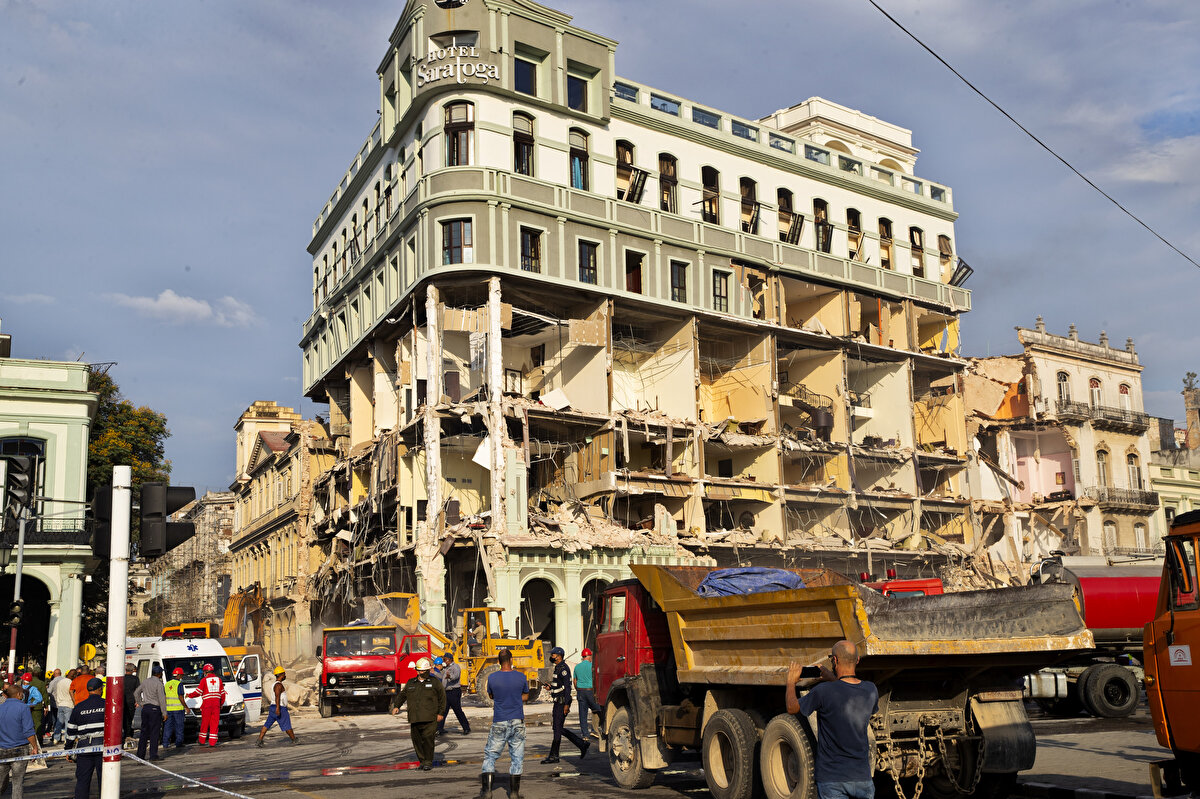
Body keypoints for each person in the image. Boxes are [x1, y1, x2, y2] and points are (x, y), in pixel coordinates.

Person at [785, 640, 879, 799]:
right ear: (857, 660)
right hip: (862, 778)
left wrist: (790, 682)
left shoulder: (823, 691)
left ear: (834, 660)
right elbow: (847, 692)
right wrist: (832, 679)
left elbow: (791, 708)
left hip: (832, 778)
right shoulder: (870, 690)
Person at [479, 648, 527, 799]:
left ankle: (487, 792)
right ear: (511, 660)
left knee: (490, 756)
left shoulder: (492, 677)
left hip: (499, 720)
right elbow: (525, 696)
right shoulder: (521, 676)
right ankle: (514, 793)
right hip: (517, 720)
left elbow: (491, 695)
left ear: (498, 662)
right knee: (517, 757)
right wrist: (515, 697)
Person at [391, 657, 445, 771]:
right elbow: (402, 695)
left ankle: (428, 762)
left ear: (427, 670)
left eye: (423, 671)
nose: (420, 672)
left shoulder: (434, 682)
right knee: (417, 741)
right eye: (419, 670)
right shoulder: (411, 683)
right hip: (415, 717)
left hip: (430, 717)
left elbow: (442, 698)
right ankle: (422, 761)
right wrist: (396, 706)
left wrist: (440, 713)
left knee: (428, 739)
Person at [543, 647, 588, 764]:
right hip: (557, 702)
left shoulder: (563, 669)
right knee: (557, 728)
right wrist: (550, 687)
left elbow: (567, 688)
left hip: (562, 703)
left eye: (553, 655)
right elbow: (559, 686)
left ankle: (554, 756)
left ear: (559, 656)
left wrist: (567, 705)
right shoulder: (558, 668)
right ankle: (580, 744)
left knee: (557, 729)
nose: (551, 657)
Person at [67, 678, 106, 799]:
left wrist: (68, 749)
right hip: (103, 746)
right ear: (100, 689)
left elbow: (71, 730)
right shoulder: (107, 704)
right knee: (105, 780)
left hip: (84, 747)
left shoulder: (79, 707)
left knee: (82, 780)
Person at [0, 683, 39, 799]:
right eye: (22, 693)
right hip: (20, 748)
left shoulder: (1, 708)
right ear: (18, 694)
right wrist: (34, 747)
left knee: (1, 781)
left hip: (2, 748)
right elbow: (28, 731)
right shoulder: (23, 708)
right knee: (17, 782)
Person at [255, 667, 298, 747]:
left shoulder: (275, 684)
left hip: (273, 707)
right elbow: (277, 697)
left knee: (267, 725)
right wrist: (278, 708)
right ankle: (294, 740)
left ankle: (259, 740)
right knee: (287, 725)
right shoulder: (278, 685)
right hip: (280, 708)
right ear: (281, 675)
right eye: (284, 674)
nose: (285, 675)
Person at [134, 664, 168, 761]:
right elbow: (162, 699)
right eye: (161, 673)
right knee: (154, 733)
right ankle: (153, 755)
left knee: (144, 732)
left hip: (146, 708)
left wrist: (141, 703)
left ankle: (140, 755)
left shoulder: (145, 681)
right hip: (155, 709)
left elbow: (136, 693)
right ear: (159, 674)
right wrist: (164, 712)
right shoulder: (159, 684)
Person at [187, 663, 224, 747]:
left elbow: (198, 692)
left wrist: (189, 695)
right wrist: (221, 703)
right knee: (214, 723)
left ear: (205, 672)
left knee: (205, 723)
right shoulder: (219, 680)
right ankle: (212, 742)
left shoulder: (204, 680)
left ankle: (202, 740)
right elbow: (222, 694)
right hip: (216, 705)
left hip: (207, 705)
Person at [437, 651, 470, 736]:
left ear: (450, 659)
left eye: (445, 660)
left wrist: (450, 677)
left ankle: (466, 728)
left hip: (454, 692)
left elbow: (456, 676)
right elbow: (443, 677)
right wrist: (435, 673)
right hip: (447, 692)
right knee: (443, 711)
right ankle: (439, 729)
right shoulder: (446, 668)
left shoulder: (455, 667)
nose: (444, 661)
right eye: (444, 660)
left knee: (458, 711)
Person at [573, 647, 602, 739]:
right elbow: (597, 679)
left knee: (583, 714)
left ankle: (585, 735)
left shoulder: (577, 667)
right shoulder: (592, 666)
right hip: (591, 691)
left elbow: (574, 681)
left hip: (580, 691)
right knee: (598, 710)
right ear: (589, 656)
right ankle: (595, 730)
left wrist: (578, 690)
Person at [163, 667, 187, 751]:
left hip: (168, 709)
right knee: (179, 726)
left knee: (168, 726)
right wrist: (186, 707)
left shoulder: (167, 684)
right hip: (178, 709)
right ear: (178, 675)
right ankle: (179, 743)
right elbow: (181, 697)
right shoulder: (179, 684)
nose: (182, 677)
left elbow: (164, 696)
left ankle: (165, 743)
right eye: (182, 675)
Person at [18, 673, 43, 750]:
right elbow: (39, 698)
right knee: (27, 725)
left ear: (23, 680)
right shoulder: (33, 689)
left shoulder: (17, 687)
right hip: (26, 708)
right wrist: (31, 704)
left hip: (17, 708)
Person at [52, 669, 75, 745]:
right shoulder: (71, 683)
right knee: (67, 723)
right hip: (68, 704)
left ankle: (56, 738)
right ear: (73, 675)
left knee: (59, 722)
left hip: (60, 704)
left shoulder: (60, 682)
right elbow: (72, 693)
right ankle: (66, 738)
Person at [122, 662, 140, 746]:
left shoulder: (122, 678)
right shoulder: (135, 679)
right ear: (133, 670)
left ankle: (125, 733)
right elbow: (138, 691)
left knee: (123, 717)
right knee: (129, 718)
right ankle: (128, 734)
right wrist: (137, 701)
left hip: (122, 701)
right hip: (131, 701)